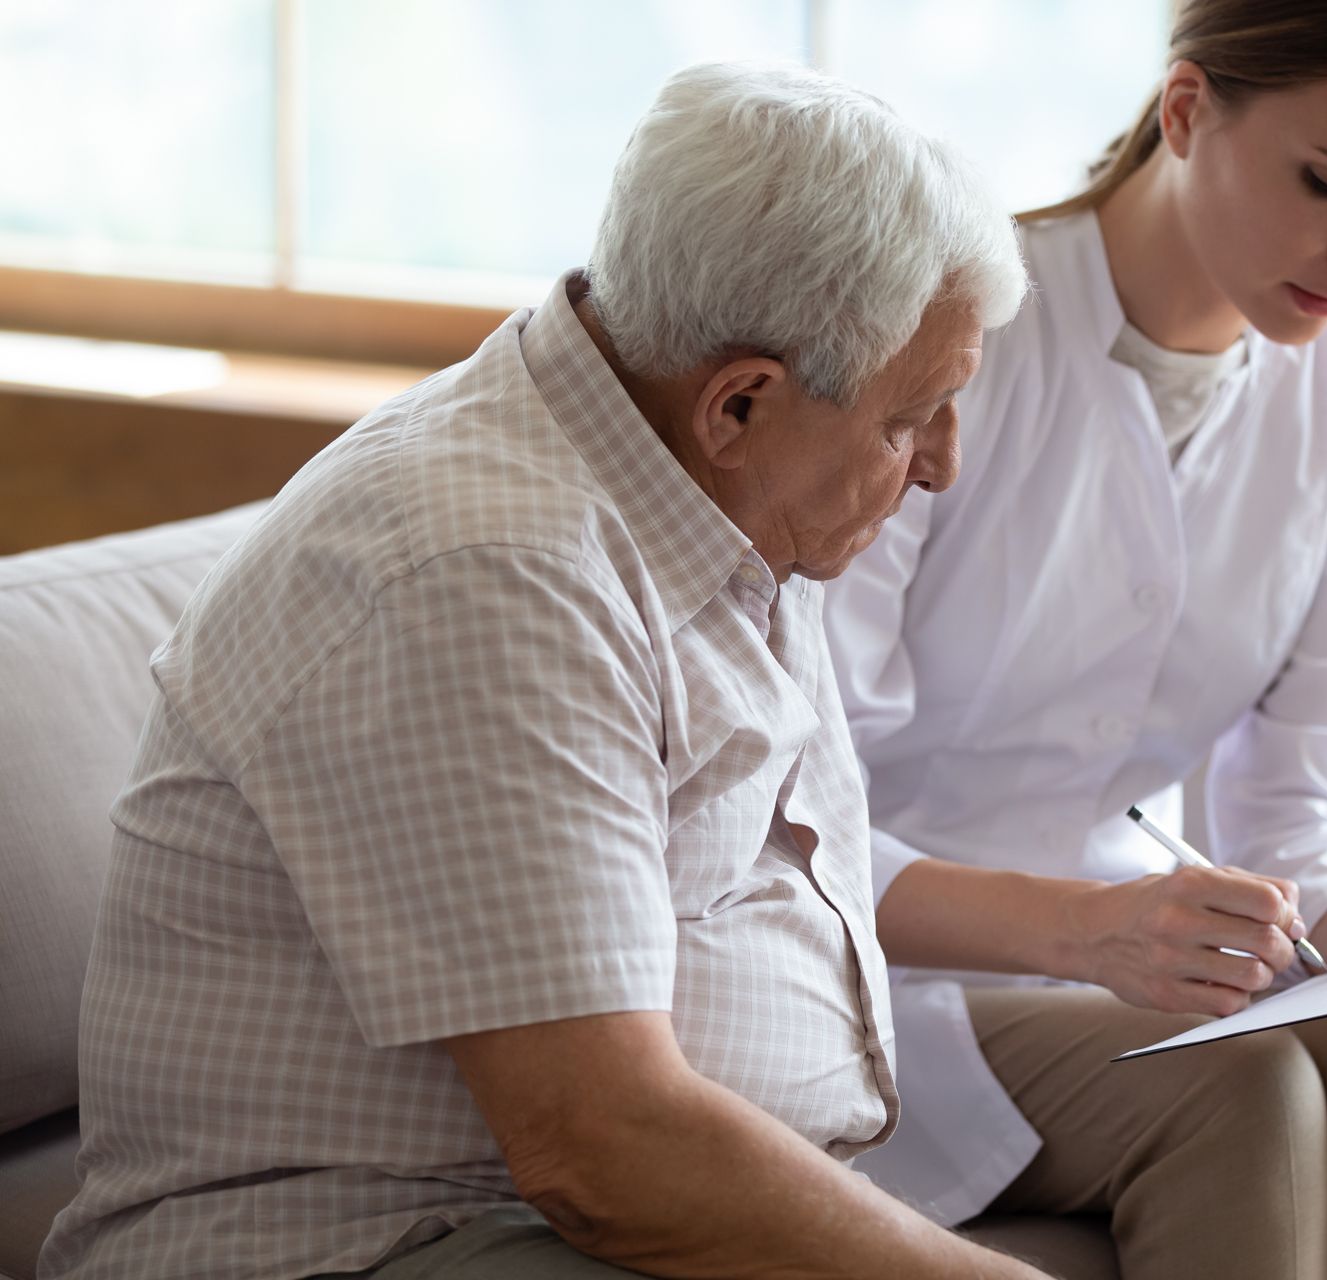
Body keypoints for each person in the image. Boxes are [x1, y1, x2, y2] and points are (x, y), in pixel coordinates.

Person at [38, 63, 1043, 1280]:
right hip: (373, 1236)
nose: (938, 464)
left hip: (571, 1195)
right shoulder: (488, 569)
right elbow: (602, 1149)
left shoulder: (704, 480)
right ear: (738, 403)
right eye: (907, 419)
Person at [821, 2, 1327, 1276]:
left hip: (1143, 964)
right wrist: (1090, 927)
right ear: (1185, 110)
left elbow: (1310, 765)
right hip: (876, 970)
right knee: (1248, 1094)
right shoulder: (953, 337)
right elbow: (796, 806)